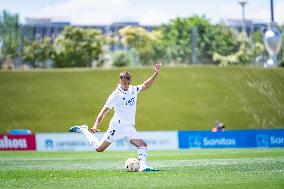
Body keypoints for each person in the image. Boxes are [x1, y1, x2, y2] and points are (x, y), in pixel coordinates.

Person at [69, 63, 161, 172]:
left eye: (128, 83)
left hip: (129, 127)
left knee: (142, 145)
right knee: (99, 149)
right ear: (120, 81)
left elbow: (146, 85)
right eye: (124, 83)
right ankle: (84, 130)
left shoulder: (133, 89)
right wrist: (95, 125)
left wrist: (156, 73)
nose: (126, 85)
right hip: (117, 127)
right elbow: (103, 112)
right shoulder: (115, 95)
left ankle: (143, 166)